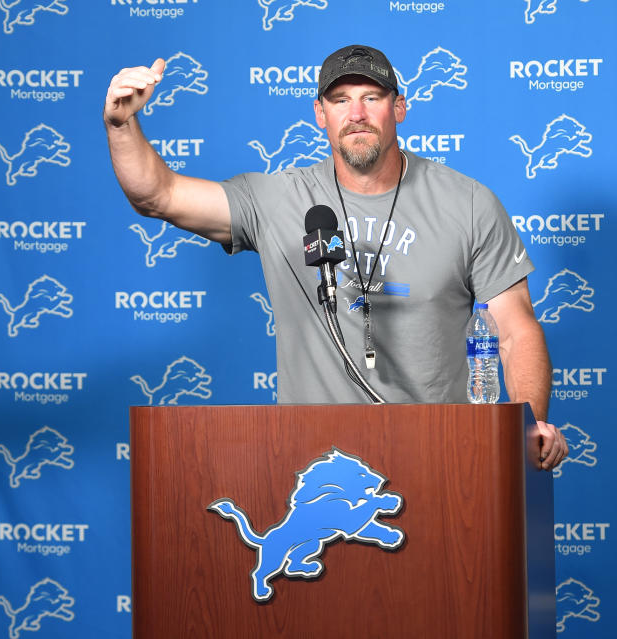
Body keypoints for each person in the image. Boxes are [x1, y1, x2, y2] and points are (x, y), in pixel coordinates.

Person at [104, 44, 568, 471]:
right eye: (341, 100)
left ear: (399, 108)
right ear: (320, 114)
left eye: (372, 97)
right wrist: (123, 125)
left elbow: (513, 328)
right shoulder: (278, 199)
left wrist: (532, 423)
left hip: (440, 454)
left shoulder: (468, 203)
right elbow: (157, 196)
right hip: (312, 461)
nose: (357, 114)